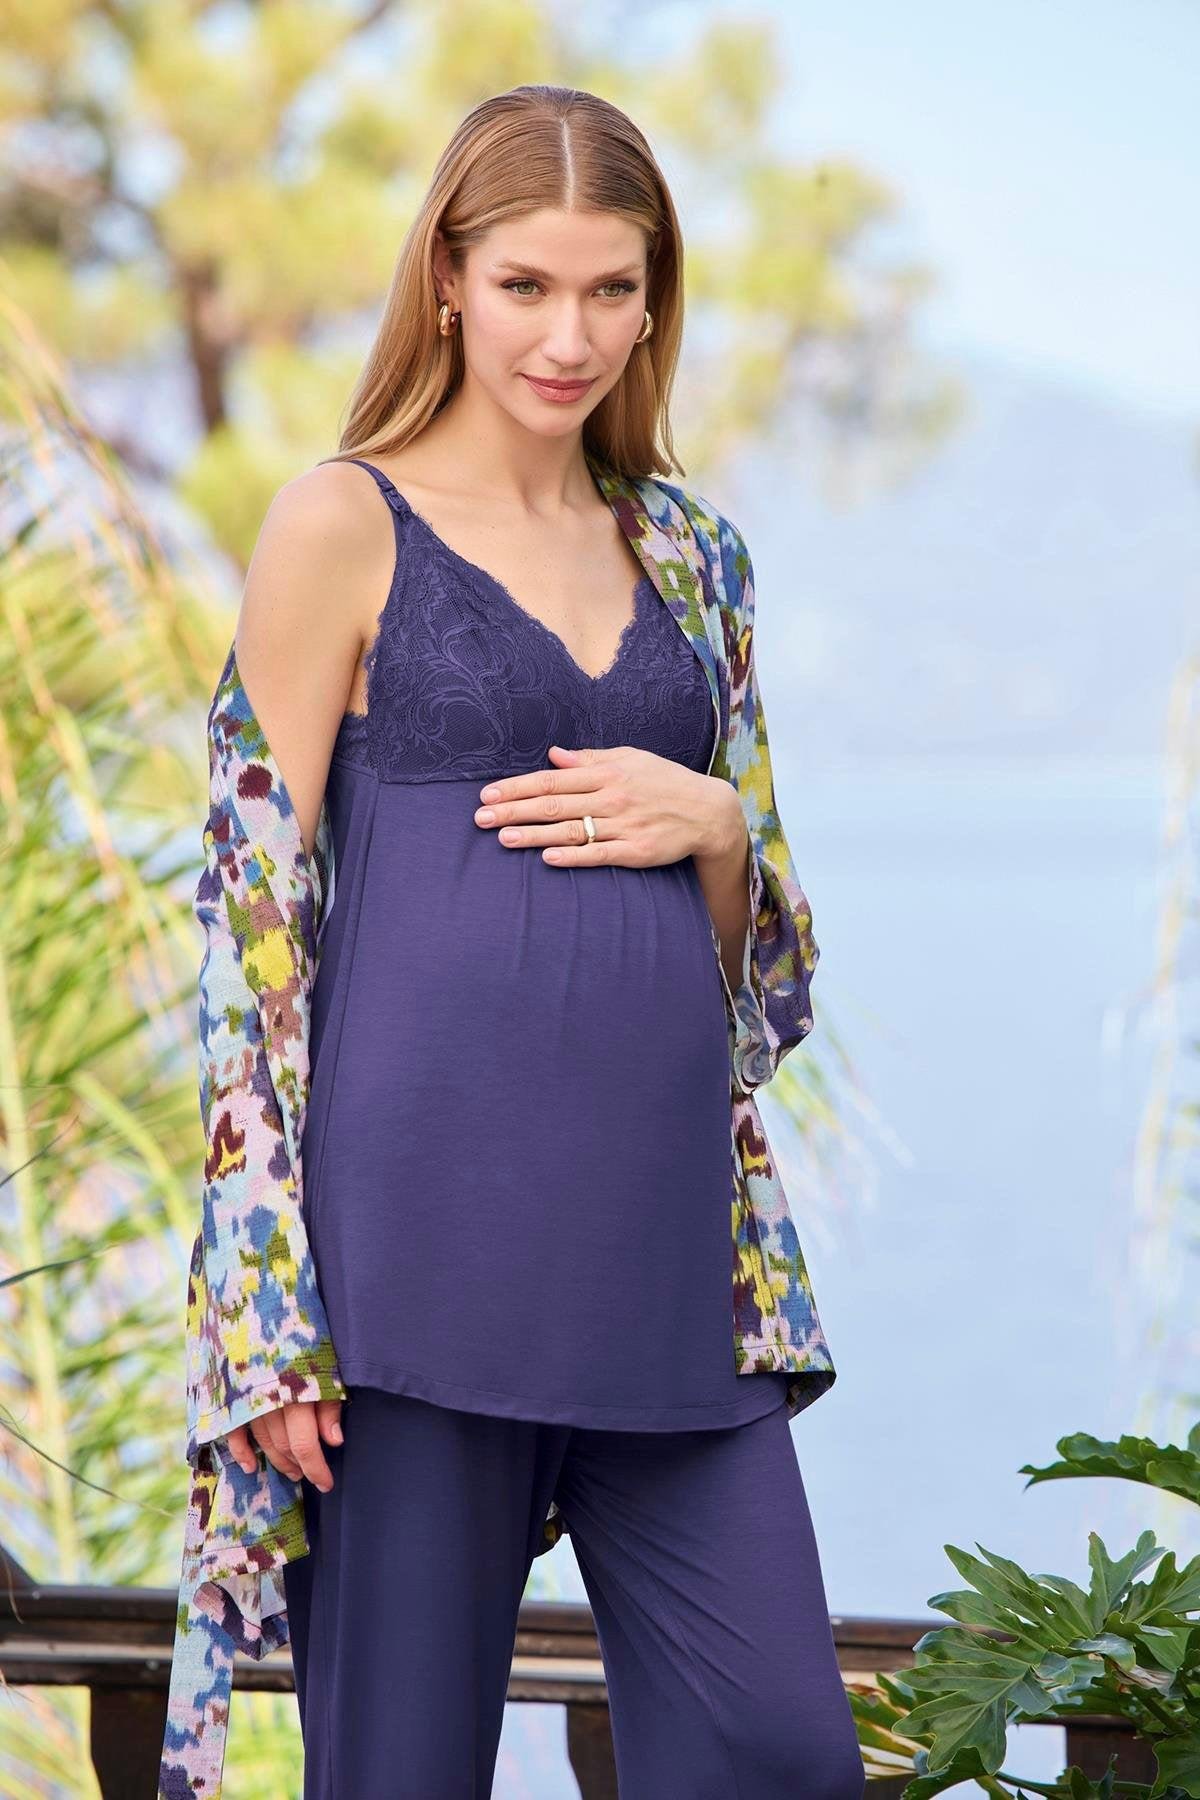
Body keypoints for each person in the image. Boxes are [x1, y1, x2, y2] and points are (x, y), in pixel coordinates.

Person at [158, 82, 862, 1800]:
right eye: (530, 285)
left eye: (613, 289)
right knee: (399, 1770)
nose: (571, 337)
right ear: (449, 280)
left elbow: (751, 988)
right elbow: (247, 936)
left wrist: (718, 829)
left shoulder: (696, 557)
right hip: (409, 1270)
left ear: (655, 298)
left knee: (778, 1751)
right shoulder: (341, 524)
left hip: (668, 1265)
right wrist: (264, 1312)